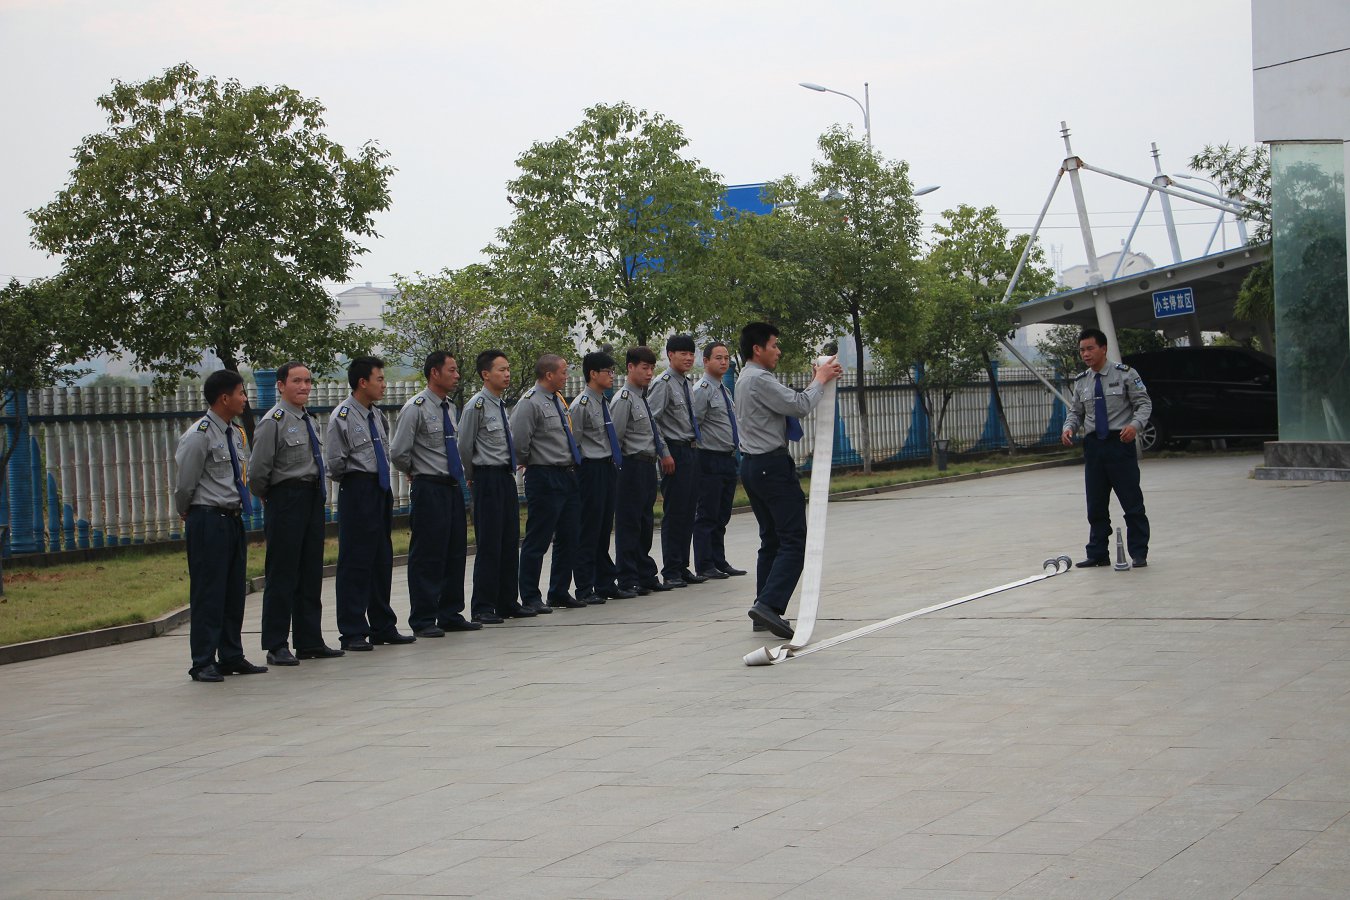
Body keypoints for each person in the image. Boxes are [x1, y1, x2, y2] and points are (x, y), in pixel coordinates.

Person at [734, 322, 842, 639]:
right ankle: (769, 604)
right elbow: (799, 405)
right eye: (774, 345)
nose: (778, 351)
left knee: (772, 539)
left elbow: (789, 402)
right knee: (795, 540)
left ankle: (761, 609)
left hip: (754, 466)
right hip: (771, 467)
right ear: (758, 349)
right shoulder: (758, 378)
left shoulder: (746, 378)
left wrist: (816, 380)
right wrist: (820, 380)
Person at [173, 369, 268, 682]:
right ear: (224, 398)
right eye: (241, 393)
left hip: (231, 518)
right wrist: (186, 511)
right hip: (207, 519)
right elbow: (185, 483)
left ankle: (231, 655)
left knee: (232, 591)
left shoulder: (235, 433)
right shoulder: (199, 435)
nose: (245, 399)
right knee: (208, 592)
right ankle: (202, 660)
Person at [247, 361, 344, 666]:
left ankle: (309, 640)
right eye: (296, 381)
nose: (304, 387)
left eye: (307, 381)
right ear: (280, 385)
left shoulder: (309, 420)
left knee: (310, 571)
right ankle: (276, 644)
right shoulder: (272, 421)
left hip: (311, 498)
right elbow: (257, 473)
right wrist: (272, 497)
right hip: (285, 499)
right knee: (283, 573)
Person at [325, 356, 416, 651]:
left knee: (381, 558)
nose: (383, 385)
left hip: (379, 489)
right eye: (379, 379)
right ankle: (352, 630)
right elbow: (336, 463)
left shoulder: (375, 414)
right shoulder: (341, 416)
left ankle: (382, 625)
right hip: (357, 488)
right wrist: (359, 482)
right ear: (363, 382)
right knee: (355, 561)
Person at [389, 351, 482, 638]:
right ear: (434, 373)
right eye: (451, 370)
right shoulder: (415, 408)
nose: (456, 375)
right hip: (429, 487)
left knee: (455, 550)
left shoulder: (449, 407)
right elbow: (398, 452)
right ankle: (424, 617)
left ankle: (450, 612)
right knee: (428, 554)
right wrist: (417, 470)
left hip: (452, 487)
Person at [1061, 327, 1153, 568]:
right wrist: (1068, 427)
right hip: (1094, 447)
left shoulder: (1125, 374)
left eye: (1090, 348)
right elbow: (1076, 412)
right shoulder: (1082, 382)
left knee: (1132, 502)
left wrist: (1135, 426)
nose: (1086, 354)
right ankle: (1098, 552)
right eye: (1082, 350)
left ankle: (1138, 552)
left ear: (1103, 348)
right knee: (1096, 504)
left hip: (1119, 443)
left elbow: (1143, 404)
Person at [458, 350, 535, 624]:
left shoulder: (501, 405)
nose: (507, 374)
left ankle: (507, 601)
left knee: (508, 539)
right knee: (490, 542)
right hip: (487, 478)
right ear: (485, 374)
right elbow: (465, 447)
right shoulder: (476, 406)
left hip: (504, 477)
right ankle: (483, 606)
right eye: (501, 369)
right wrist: (471, 475)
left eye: (508, 369)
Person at [511, 353, 587, 613]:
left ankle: (559, 591)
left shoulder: (558, 400)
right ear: (549, 375)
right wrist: (532, 462)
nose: (567, 376)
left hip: (568, 473)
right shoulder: (529, 403)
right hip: (544, 475)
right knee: (539, 538)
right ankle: (530, 595)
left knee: (569, 535)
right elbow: (520, 442)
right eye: (563, 372)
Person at [610, 346, 675, 596]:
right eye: (644, 368)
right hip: (630, 466)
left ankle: (644, 573)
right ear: (630, 368)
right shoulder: (623, 400)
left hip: (647, 466)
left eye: (651, 368)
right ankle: (626, 577)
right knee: (629, 522)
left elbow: (654, 432)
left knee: (645, 521)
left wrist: (663, 452)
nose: (649, 373)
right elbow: (615, 438)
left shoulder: (642, 398)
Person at [569, 351, 627, 603]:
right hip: (589, 469)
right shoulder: (580, 405)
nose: (612, 376)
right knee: (589, 528)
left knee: (604, 527)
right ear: (593, 374)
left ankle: (605, 582)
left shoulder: (604, 402)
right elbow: (576, 442)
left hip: (607, 467)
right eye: (608, 371)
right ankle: (584, 586)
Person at [646, 334, 704, 588]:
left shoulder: (686, 382)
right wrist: (664, 452)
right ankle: (670, 570)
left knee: (689, 510)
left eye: (691, 353)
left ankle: (682, 566)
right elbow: (653, 421)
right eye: (683, 353)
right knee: (675, 512)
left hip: (691, 450)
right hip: (675, 453)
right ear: (670, 355)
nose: (688, 358)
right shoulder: (664, 383)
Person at [691, 341, 748, 581]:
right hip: (709, 458)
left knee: (722, 514)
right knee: (707, 514)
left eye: (726, 358)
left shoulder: (723, 389)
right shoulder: (702, 389)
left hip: (726, 458)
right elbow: (694, 424)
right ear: (705, 361)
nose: (723, 362)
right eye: (718, 358)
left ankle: (718, 560)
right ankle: (705, 564)